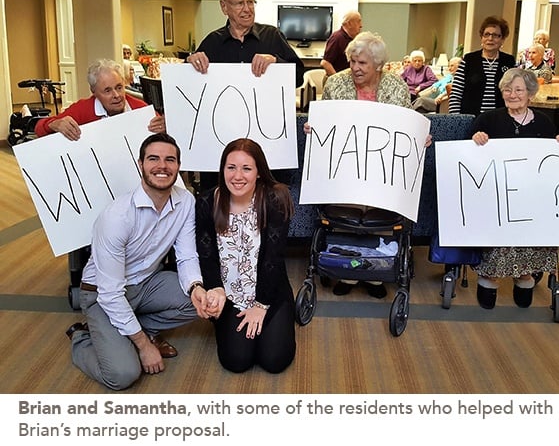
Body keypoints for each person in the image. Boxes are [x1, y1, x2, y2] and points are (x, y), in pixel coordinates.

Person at [65, 133, 226, 390]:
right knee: (123, 374)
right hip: (102, 295)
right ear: (140, 164)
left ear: (178, 166)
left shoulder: (185, 202)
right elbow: (110, 294)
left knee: (202, 302)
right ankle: (83, 336)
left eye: (169, 160)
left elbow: (186, 255)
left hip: (148, 283)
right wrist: (143, 345)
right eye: (153, 159)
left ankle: (129, 329)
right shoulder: (117, 217)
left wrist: (196, 287)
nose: (162, 166)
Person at [309, 31, 430, 299]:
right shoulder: (336, 84)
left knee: (380, 207)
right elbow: (325, 122)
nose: (354, 68)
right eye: (352, 61)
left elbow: (406, 126)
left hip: (383, 168)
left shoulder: (396, 86)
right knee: (347, 207)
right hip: (345, 166)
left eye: (362, 63)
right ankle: (349, 272)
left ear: (378, 65)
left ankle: (374, 272)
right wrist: (313, 126)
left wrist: (420, 137)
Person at [470, 68, 559, 309]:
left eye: (519, 90)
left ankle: (524, 276)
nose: (512, 94)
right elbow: (467, 151)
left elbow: (552, 159)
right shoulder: (488, 119)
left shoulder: (545, 122)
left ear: (530, 94)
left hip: (531, 196)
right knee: (497, 236)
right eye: (507, 89)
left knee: (529, 235)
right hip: (496, 194)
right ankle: (489, 277)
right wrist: (477, 139)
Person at [195, 138, 296, 373]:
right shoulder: (207, 201)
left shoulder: (274, 199)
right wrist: (215, 290)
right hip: (229, 295)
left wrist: (261, 306)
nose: (237, 176)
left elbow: (274, 258)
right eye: (231, 167)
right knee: (236, 361)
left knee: (274, 360)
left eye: (246, 168)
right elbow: (206, 254)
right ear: (223, 169)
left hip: (268, 292)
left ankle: (282, 315)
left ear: (259, 172)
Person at [186, 0, 304, 88]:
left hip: (266, 114)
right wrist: (191, 62)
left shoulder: (273, 35)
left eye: (250, 2)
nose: (247, 9)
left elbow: (299, 78)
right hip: (226, 114)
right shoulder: (212, 41)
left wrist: (275, 62)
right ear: (224, 7)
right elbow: (187, 82)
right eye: (240, 3)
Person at [34, 59, 164, 140]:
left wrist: (164, 129)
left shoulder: (140, 108)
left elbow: (165, 140)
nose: (116, 95)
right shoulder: (82, 109)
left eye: (119, 87)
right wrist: (54, 124)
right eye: (107, 90)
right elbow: (39, 129)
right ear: (94, 92)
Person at [448, 16, 516, 116]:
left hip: (500, 120)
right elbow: (455, 95)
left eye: (496, 35)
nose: (490, 38)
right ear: (481, 37)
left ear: (502, 39)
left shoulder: (509, 62)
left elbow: (516, 94)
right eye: (486, 34)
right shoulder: (469, 60)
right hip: (471, 119)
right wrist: (457, 120)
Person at [320, 10, 362, 77]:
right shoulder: (337, 38)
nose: (361, 25)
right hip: (338, 82)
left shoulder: (352, 39)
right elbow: (325, 63)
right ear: (349, 24)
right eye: (358, 21)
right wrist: (337, 80)